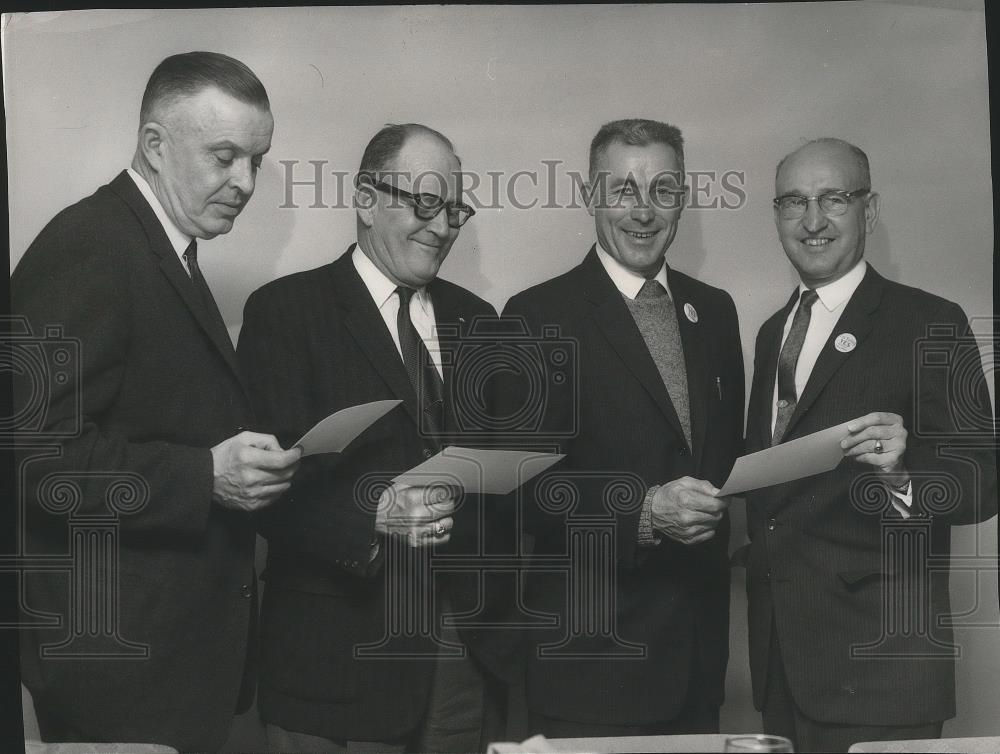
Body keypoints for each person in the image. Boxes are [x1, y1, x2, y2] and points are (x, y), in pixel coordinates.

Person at [12, 52, 301, 750]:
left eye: (257, 161)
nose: (244, 182)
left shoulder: (163, 248)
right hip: (119, 677)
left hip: (161, 666)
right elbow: (33, 464)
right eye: (225, 156)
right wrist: (206, 477)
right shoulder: (91, 245)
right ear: (153, 145)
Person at [238, 123, 514, 753]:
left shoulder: (481, 321)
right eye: (423, 203)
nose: (441, 226)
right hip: (333, 658)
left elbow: (499, 471)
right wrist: (374, 513)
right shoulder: (285, 312)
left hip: (463, 649)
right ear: (365, 199)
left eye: (454, 209)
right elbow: (257, 488)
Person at [743, 137, 997, 752]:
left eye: (834, 198)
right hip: (782, 663)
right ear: (776, 216)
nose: (812, 220)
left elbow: (984, 480)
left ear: (870, 210)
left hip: (880, 666)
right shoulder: (773, 331)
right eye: (794, 202)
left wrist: (904, 474)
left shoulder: (930, 320)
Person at [498, 118, 744, 737]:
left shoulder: (714, 312)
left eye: (663, 189)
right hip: (591, 665)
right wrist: (643, 509)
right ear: (590, 196)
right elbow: (520, 490)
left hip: (698, 664)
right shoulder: (534, 317)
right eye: (623, 189)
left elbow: (728, 460)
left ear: (683, 199)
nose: (643, 210)